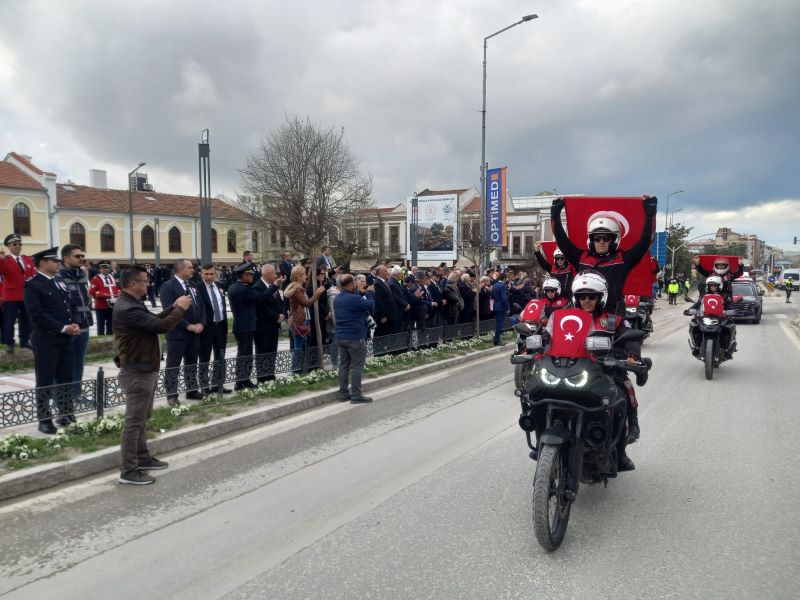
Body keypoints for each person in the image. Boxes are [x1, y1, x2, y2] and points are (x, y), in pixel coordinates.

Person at [113, 265, 192, 485]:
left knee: (142, 419)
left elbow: (155, 319)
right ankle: (128, 471)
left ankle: (142, 457)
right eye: (145, 281)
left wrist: (173, 306)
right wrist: (180, 310)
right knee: (134, 423)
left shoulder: (132, 304)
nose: (149, 284)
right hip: (137, 371)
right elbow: (162, 326)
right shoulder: (127, 308)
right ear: (133, 284)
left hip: (144, 368)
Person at [556, 271, 643, 470]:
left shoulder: (613, 320)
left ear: (600, 298)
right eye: (582, 296)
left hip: (604, 372)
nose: (586, 300)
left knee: (621, 397)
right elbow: (548, 335)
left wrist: (632, 354)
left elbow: (630, 337)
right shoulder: (564, 318)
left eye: (591, 297)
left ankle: (621, 452)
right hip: (569, 371)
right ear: (575, 298)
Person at [551, 195, 657, 313]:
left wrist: (650, 212)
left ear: (614, 240)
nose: (601, 242)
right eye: (597, 238)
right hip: (583, 317)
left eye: (606, 238)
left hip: (612, 318)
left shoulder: (622, 260)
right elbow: (561, 240)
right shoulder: (581, 258)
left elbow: (645, 241)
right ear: (591, 240)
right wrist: (555, 213)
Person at [24, 247, 82, 433]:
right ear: (42, 263)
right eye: (54, 261)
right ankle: (44, 418)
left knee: (66, 377)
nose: (58, 263)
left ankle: (66, 413)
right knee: (45, 379)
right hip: (46, 340)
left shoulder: (59, 281)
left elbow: (70, 305)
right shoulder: (32, 285)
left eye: (58, 261)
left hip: (66, 339)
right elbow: (37, 314)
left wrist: (74, 323)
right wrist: (63, 328)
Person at [159, 259, 206, 406]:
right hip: (177, 334)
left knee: (191, 362)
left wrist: (201, 323)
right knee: (174, 364)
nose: (193, 270)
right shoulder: (168, 287)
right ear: (180, 269)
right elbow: (170, 310)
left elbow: (201, 306)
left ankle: (191, 390)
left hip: (194, 333)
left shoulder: (193, 285)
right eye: (190, 267)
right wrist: (188, 326)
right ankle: (172, 395)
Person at [56, 244, 93, 404]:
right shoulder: (59, 275)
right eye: (77, 256)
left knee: (78, 362)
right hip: (70, 327)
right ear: (66, 258)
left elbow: (85, 299)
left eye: (82, 256)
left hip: (84, 324)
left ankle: (76, 394)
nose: (81, 259)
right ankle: (62, 398)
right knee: (64, 364)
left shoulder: (82, 273)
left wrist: (86, 313)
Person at [333, 274, 375, 403]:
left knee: (343, 366)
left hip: (340, 336)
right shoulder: (354, 299)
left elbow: (354, 299)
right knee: (357, 366)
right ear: (351, 284)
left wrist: (360, 292)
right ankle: (356, 395)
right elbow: (370, 305)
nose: (356, 285)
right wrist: (369, 293)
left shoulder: (337, 298)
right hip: (355, 337)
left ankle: (343, 394)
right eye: (355, 284)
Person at [283, 265, 325, 374]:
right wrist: (317, 294)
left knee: (301, 346)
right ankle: (296, 371)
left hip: (302, 320)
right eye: (304, 274)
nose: (306, 276)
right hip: (298, 321)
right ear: (299, 276)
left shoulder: (299, 288)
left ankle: (301, 369)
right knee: (298, 346)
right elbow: (306, 303)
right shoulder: (297, 289)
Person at [197, 264, 231, 395]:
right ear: (201, 274)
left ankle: (218, 384)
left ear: (215, 274)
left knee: (220, 356)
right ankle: (204, 386)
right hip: (207, 328)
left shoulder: (220, 286)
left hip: (220, 326)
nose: (209, 276)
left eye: (211, 274)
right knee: (204, 357)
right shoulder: (197, 288)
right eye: (206, 274)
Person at [686, 275, 737, 358]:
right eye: (711, 285)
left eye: (715, 285)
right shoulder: (705, 295)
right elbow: (698, 304)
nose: (713, 287)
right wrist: (690, 310)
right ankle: (696, 346)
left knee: (730, 326)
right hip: (706, 317)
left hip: (720, 317)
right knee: (694, 325)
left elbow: (729, 305)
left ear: (719, 285)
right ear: (708, 286)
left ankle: (728, 348)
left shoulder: (724, 295)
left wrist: (731, 311)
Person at [1, 233, 36, 353]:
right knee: (9, 321)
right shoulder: (5, 260)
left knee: (27, 320)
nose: (17, 246)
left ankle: (25, 340)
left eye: (19, 244)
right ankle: (9, 343)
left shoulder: (27, 259)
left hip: (25, 295)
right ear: (9, 246)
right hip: (11, 296)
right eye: (14, 244)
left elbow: (32, 275)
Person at [253, 264, 285, 382]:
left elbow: (280, 302)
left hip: (274, 325)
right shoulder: (258, 287)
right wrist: (276, 316)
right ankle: (262, 376)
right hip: (263, 326)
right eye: (273, 273)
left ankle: (270, 374)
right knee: (263, 351)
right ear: (267, 274)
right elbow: (262, 306)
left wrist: (282, 314)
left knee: (272, 350)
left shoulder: (273, 286)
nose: (276, 275)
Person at [90, 262, 119, 335]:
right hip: (101, 305)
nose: (106, 270)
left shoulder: (112, 277)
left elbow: (116, 287)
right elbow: (92, 291)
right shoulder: (95, 279)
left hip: (112, 305)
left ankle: (109, 338)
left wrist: (119, 292)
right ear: (100, 269)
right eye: (104, 268)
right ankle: (101, 339)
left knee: (111, 323)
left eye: (107, 268)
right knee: (101, 324)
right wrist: (102, 294)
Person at [372, 265, 399, 339]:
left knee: (389, 334)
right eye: (385, 271)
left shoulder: (383, 282)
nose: (387, 273)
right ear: (380, 273)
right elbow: (379, 301)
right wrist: (382, 316)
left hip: (390, 314)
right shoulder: (377, 283)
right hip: (385, 316)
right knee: (382, 335)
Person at [491, 272, 509, 345]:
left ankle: (496, 339)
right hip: (501, 307)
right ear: (504, 278)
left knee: (498, 323)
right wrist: (507, 307)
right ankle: (496, 340)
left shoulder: (495, 285)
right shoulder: (502, 286)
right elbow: (504, 298)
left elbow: (492, 296)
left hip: (496, 306)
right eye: (506, 278)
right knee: (500, 324)